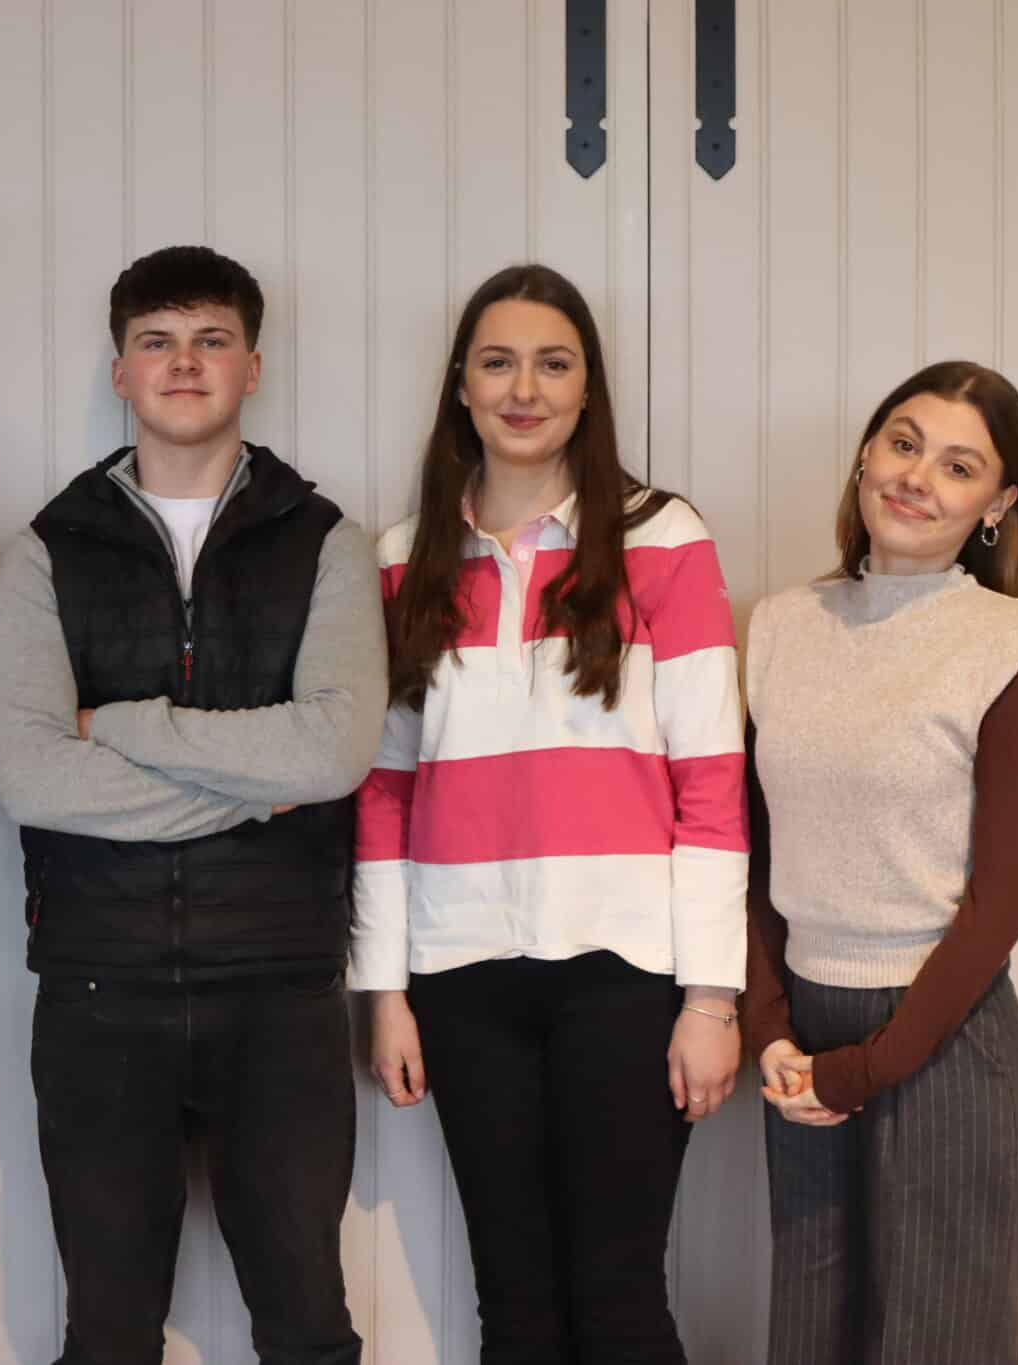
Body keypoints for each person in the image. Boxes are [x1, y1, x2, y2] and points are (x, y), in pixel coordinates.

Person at [0, 244, 385, 1365]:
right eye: (156, 341)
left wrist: (120, 728)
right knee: (106, 1334)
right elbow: (27, 775)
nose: (183, 362)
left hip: (281, 991)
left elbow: (333, 751)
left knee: (307, 1325)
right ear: (120, 371)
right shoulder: (48, 552)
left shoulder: (323, 543)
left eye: (210, 339)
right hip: (98, 989)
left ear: (251, 364)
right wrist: (256, 784)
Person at [354, 263, 748, 1365]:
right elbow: (382, 794)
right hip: (458, 971)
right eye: (497, 361)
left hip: (624, 968)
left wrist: (711, 998)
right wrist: (382, 991)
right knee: (515, 1311)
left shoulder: (663, 539)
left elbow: (710, 781)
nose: (523, 387)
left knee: (616, 1300)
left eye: (552, 362)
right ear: (460, 386)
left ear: (586, 389)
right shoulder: (397, 562)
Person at [742, 360, 1018, 1364]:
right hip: (800, 1036)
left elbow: (1001, 902)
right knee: (810, 1334)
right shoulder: (777, 625)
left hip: (943, 1034)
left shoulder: (1014, 647)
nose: (916, 475)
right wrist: (767, 1025)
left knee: (937, 1339)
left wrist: (869, 1068)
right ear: (863, 456)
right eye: (901, 442)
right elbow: (747, 853)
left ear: (996, 503)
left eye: (957, 464)